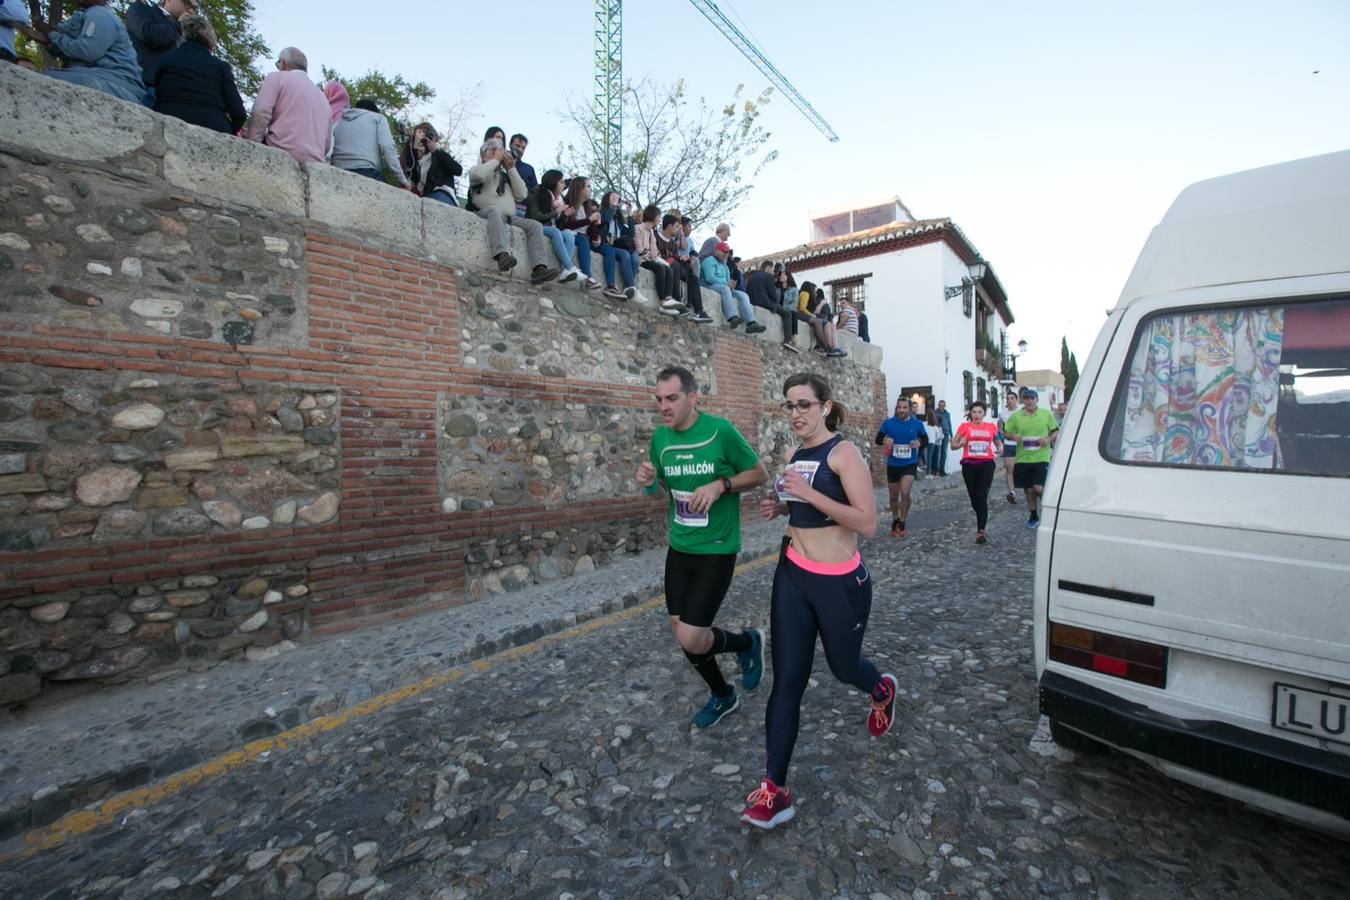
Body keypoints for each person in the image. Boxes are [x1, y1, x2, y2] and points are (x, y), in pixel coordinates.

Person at [742, 372, 897, 830]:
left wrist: (808, 494)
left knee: (843, 667)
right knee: (787, 679)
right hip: (792, 574)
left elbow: (867, 523)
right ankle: (775, 790)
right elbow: (805, 507)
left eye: (804, 405)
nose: (795, 414)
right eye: (789, 405)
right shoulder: (793, 454)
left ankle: (881, 689)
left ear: (826, 406)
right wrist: (785, 508)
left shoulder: (843, 453)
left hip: (839, 583)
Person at [635, 366, 768, 730]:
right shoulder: (660, 439)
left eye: (672, 398)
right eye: (659, 399)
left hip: (717, 547)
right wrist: (648, 482)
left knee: (692, 635)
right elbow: (661, 490)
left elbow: (759, 474)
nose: (664, 406)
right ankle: (725, 692)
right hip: (679, 548)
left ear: (693, 398)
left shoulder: (720, 431)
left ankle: (746, 645)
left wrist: (720, 485)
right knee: (682, 634)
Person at [468, 137, 559, 285]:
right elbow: (479, 176)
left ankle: (539, 269)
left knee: (535, 225)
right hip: (486, 213)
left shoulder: (505, 176)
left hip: (510, 217)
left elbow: (522, 194)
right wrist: (495, 161)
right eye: (495, 152)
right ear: (485, 155)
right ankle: (501, 256)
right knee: (495, 211)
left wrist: (511, 168)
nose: (500, 156)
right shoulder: (477, 170)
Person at [21, 0, 144, 102]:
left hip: (117, 83)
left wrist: (52, 35)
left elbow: (88, 51)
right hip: (108, 81)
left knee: (44, 79)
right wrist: (50, 42)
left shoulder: (100, 13)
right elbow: (76, 53)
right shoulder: (86, 15)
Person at [148, 14, 245, 135]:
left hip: (167, 121)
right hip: (212, 125)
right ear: (211, 42)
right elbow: (239, 112)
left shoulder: (166, 59)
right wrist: (229, 129)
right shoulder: (221, 67)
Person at [245, 47, 331, 164]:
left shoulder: (276, 78)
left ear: (283, 63)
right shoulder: (323, 98)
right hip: (315, 162)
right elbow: (327, 144)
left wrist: (252, 145)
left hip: (280, 152)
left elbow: (260, 113)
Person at [1001, 387, 1058, 527]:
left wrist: (1048, 440)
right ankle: (1033, 516)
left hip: (1041, 457)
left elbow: (1055, 431)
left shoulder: (1046, 414)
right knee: (1029, 490)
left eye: (1032, 398)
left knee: (1038, 487)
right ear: (1023, 401)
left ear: (1036, 400)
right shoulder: (1016, 416)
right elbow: (1005, 432)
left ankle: (1048, 507)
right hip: (1023, 458)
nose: (1029, 401)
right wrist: (1013, 436)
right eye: (1026, 399)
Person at [874, 396, 927, 537]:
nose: (901, 410)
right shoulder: (888, 423)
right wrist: (885, 440)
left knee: (904, 492)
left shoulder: (917, 424)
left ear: (909, 409)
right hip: (893, 464)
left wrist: (918, 443)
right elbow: (878, 439)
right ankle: (895, 519)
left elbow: (925, 439)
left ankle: (902, 522)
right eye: (899, 408)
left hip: (909, 463)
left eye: (904, 408)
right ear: (896, 408)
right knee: (893, 496)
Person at [330, 98, 411, 187]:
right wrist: (403, 180)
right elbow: (387, 146)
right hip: (366, 171)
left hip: (336, 170)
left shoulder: (338, 119)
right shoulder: (378, 118)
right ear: (374, 112)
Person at [949, 400, 1000, 543]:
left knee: (981, 496)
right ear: (970, 413)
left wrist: (1001, 448)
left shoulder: (991, 427)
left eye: (980, 412)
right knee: (974, 498)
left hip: (986, 464)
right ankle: (982, 517)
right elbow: (953, 445)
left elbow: (998, 442)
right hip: (969, 464)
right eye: (974, 412)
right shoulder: (964, 427)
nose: (977, 415)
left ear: (984, 413)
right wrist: (960, 444)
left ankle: (980, 531)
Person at [524, 168, 583, 284]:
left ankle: (564, 271)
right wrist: (557, 212)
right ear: (553, 182)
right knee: (556, 232)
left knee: (569, 234)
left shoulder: (557, 199)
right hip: (535, 225)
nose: (563, 185)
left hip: (549, 227)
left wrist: (564, 215)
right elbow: (535, 216)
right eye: (561, 182)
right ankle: (570, 267)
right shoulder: (537, 192)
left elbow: (558, 225)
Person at [125, 0, 190, 93]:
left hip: (169, 91)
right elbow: (150, 34)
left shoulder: (185, 32)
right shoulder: (141, 9)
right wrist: (179, 25)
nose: (190, 9)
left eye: (194, 8)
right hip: (142, 83)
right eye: (187, 3)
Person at [632, 204, 685, 315]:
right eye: (658, 217)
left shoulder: (651, 232)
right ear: (654, 216)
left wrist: (652, 254)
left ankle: (668, 298)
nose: (659, 219)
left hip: (649, 258)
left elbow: (654, 251)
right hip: (642, 259)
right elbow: (639, 249)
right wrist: (650, 254)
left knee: (668, 268)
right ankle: (662, 301)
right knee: (660, 268)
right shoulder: (638, 228)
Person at [700, 243, 764, 333]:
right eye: (723, 252)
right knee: (725, 289)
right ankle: (732, 317)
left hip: (722, 287)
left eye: (727, 252)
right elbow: (709, 278)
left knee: (743, 295)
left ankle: (751, 323)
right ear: (717, 251)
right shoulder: (709, 261)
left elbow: (727, 281)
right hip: (708, 285)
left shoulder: (725, 266)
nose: (726, 254)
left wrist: (731, 285)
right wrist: (727, 284)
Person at [556, 176, 603, 291]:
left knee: (586, 240)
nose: (591, 189)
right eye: (588, 186)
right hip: (568, 234)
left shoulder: (587, 207)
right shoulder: (567, 202)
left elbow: (590, 230)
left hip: (582, 238)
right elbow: (565, 225)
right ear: (580, 189)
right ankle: (589, 278)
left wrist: (597, 237)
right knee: (583, 240)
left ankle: (589, 279)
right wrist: (589, 220)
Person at [597, 191, 643, 303]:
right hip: (604, 244)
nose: (616, 200)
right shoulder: (601, 213)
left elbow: (630, 233)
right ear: (607, 199)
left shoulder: (618, 220)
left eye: (618, 198)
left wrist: (629, 214)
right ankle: (632, 287)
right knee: (625, 255)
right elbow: (606, 220)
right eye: (613, 197)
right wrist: (613, 206)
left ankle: (629, 287)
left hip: (616, 246)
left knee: (634, 256)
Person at [402, 123, 462, 207]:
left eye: (422, 144)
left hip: (443, 193)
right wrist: (414, 144)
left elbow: (458, 170)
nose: (420, 148)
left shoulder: (438, 156)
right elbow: (411, 175)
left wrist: (435, 150)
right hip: (427, 197)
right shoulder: (417, 163)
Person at [746, 260, 797, 352]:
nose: (773, 272)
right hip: (765, 303)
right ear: (768, 268)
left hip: (752, 302)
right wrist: (775, 304)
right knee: (787, 314)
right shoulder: (768, 277)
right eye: (773, 270)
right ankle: (788, 340)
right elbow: (773, 294)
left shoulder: (751, 276)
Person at [673, 217, 713, 323]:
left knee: (694, 274)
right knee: (691, 275)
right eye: (689, 226)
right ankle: (693, 306)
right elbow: (681, 248)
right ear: (682, 226)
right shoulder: (676, 235)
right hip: (677, 264)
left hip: (687, 266)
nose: (690, 229)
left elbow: (691, 252)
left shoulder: (690, 241)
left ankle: (699, 310)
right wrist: (681, 234)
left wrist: (692, 258)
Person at [796, 281, 845, 358]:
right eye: (814, 291)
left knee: (830, 324)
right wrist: (812, 315)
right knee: (819, 322)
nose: (816, 293)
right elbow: (802, 308)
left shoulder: (809, 297)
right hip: (799, 314)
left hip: (805, 315)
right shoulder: (806, 293)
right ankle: (826, 346)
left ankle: (833, 347)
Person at [999, 391, 1019, 503]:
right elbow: (1000, 427)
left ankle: (1029, 490)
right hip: (1009, 444)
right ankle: (1012, 492)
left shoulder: (1022, 412)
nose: (1009, 400)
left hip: (1022, 445)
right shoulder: (1003, 413)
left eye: (1012, 398)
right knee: (1009, 469)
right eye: (1007, 398)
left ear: (1016, 400)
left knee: (1021, 470)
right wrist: (1004, 435)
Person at [934, 399, 954, 476]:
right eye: (940, 406)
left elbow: (949, 424)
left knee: (944, 453)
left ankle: (942, 470)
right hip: (938, 435)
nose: (941, 407)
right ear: (938, 405)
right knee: (936, 453)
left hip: (946, 435)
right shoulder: (935, 413)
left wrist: (951, 436)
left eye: (943, 406)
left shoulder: (947, 414)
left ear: (945, 406)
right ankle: (935, 469)